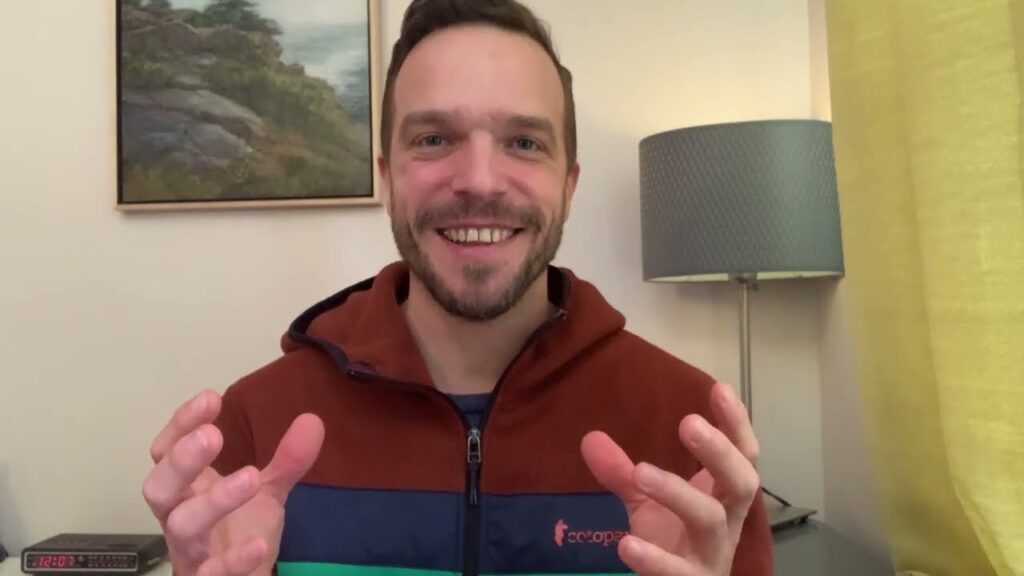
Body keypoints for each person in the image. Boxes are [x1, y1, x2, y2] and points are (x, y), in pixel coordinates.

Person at [141, 1, 773, 575]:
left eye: (524, 142)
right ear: (388, 179)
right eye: (434, 139)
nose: (478, 180)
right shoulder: (251, 429)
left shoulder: (691, 435)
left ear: (570, 186)